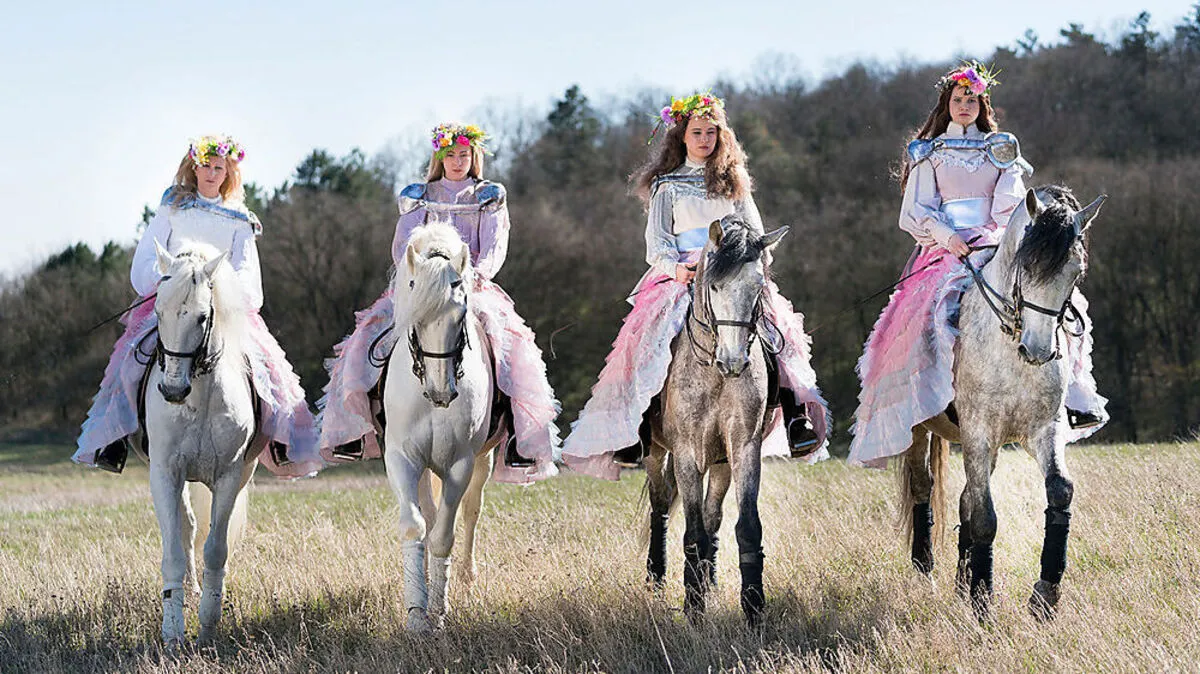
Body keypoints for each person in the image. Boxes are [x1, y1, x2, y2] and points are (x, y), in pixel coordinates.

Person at [848, 63, 1108, 468]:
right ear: (946, 105)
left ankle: (1072, 395)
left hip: (994, 242)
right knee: (921, 315)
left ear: (982, 103)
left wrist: (999, 235)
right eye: (958, 99)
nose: (965, 105)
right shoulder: (929, 152)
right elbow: (916, 210)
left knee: (1057, 300)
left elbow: (1011, 201)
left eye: (972, 99)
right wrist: (946, 236)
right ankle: (923, 397)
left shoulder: (1001, 149)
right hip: (945, 247)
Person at [561, 93, 830, 480]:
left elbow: (754, 232)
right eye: (697, 132)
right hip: (681, 275)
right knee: (647, 340)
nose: (704, 139)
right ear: (682, 137)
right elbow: (656, 244)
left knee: (776, 335)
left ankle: (794, 416)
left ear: (721, 136)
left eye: (711, 132)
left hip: (732, 273)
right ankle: (635, 430)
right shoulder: (666, 185)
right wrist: (678, 269)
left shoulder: (733, 181)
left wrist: (751, 265)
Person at [318, 122, 559, 484]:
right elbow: (403, 248)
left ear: (474, 156)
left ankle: (516, 435)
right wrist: (418, 278)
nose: (458, 161)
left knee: (513, 349)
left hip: (471, 286)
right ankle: (356, 426)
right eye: (451, 155)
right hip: (421, 287)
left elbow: (493, 248)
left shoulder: (488, 195)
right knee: (365, 340)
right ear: (439, 157)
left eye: (464, 155)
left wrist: (470, 276)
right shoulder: (418, 194)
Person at [74, 135, 322, 478]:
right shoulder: (173, 206)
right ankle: (113, 439)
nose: (210, 172)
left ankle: (280, 441)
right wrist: (168, 283)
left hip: (225, 309)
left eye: (217, 167)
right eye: (204, 165)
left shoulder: (239, 218)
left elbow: (250, 279)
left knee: (269, 369)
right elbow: (147, 257)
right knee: (131, 360)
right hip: (175, 303)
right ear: (194, 166)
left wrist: (223, 294)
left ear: (227, 172)